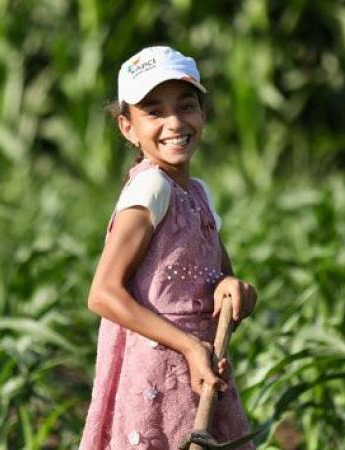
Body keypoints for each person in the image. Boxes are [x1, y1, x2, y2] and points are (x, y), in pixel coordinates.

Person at [79, 46, 258, 450]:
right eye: (154, 112)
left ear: (203, 114)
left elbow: (218, 275)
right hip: (159, 375)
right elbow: (103, 294)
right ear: (128, 127)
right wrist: (189, 346)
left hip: (201, 367)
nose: (175, 122)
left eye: (186, 106)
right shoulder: (151, 187)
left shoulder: (198, 194)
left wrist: (235, 290)